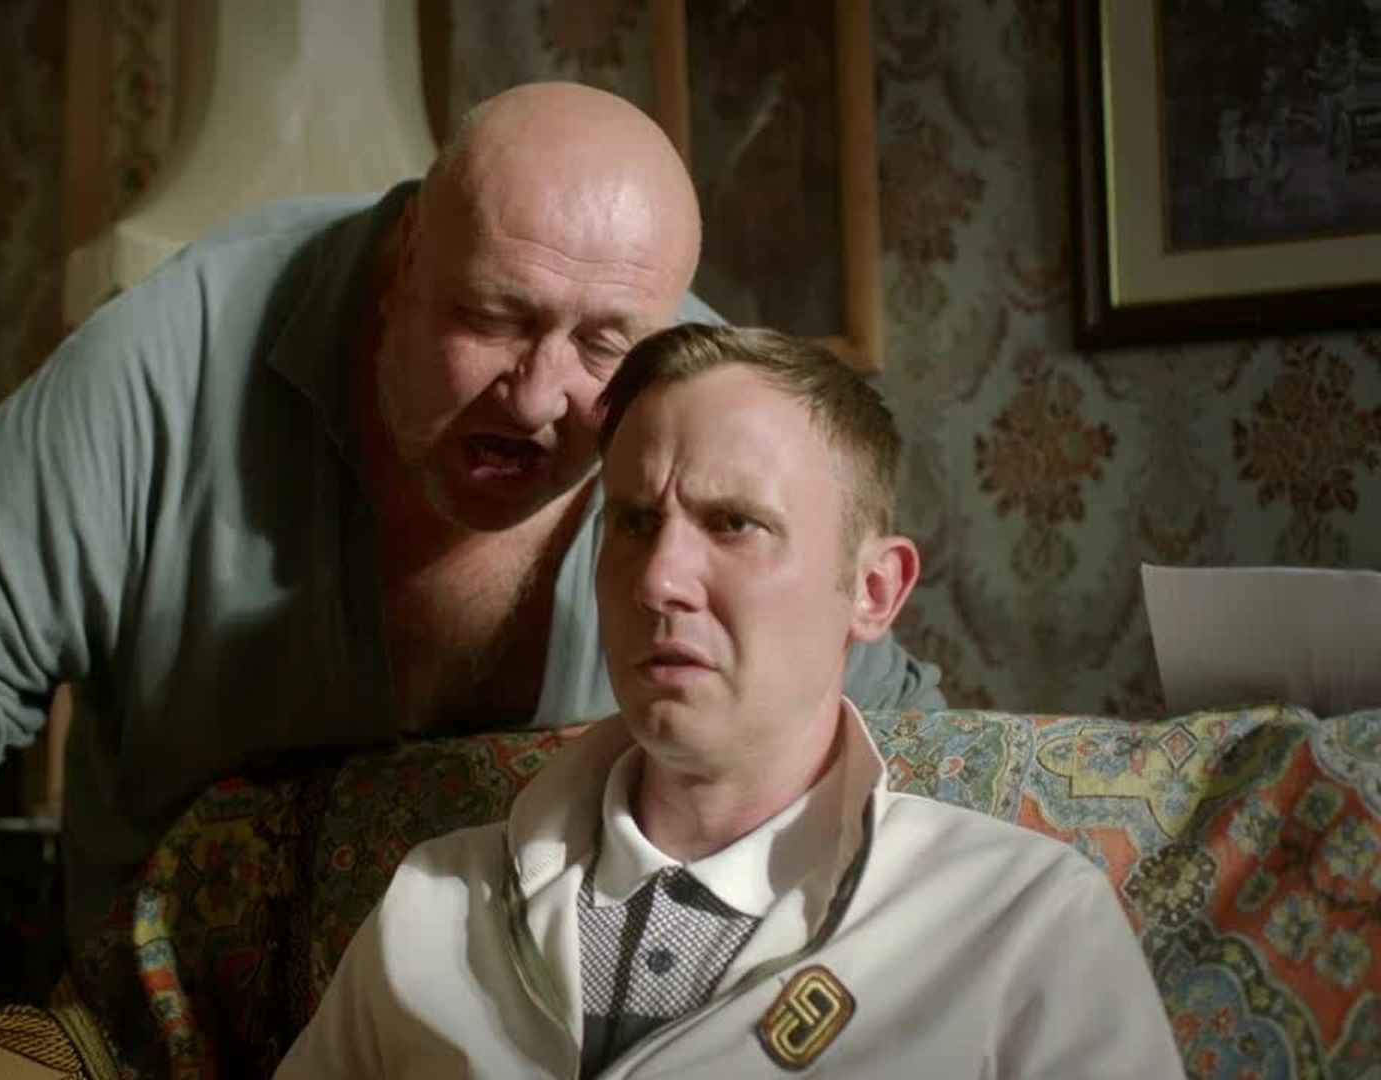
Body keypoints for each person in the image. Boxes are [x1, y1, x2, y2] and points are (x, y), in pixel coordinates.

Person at [0, 83, 945, 1059]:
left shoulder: (686, 397)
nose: (541, 398)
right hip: (164, 1039)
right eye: (495, 316)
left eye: (602, 346)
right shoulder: (173, 351)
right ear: (402, 263)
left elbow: (895, 732)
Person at [278, 324, 1181, 1078]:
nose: (659, 579)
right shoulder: (434, 903)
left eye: (733, 523)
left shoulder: (1021, 924)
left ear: (873, 590)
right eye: (635, 523)